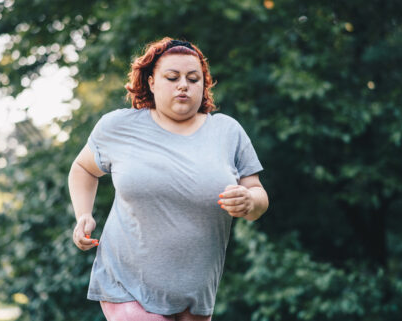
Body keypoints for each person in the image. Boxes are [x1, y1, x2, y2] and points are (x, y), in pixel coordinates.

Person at [68, 37, 269, 321]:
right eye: (172, 77)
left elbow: (258, 195)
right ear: (151, 82)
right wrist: (83, 214)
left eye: (193, 78)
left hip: (196, 293)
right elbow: (83, 168)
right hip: (125, 284)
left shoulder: (228, 132)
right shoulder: (119, 126)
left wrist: (249, 201)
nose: (183, 85)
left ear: (204, 84)